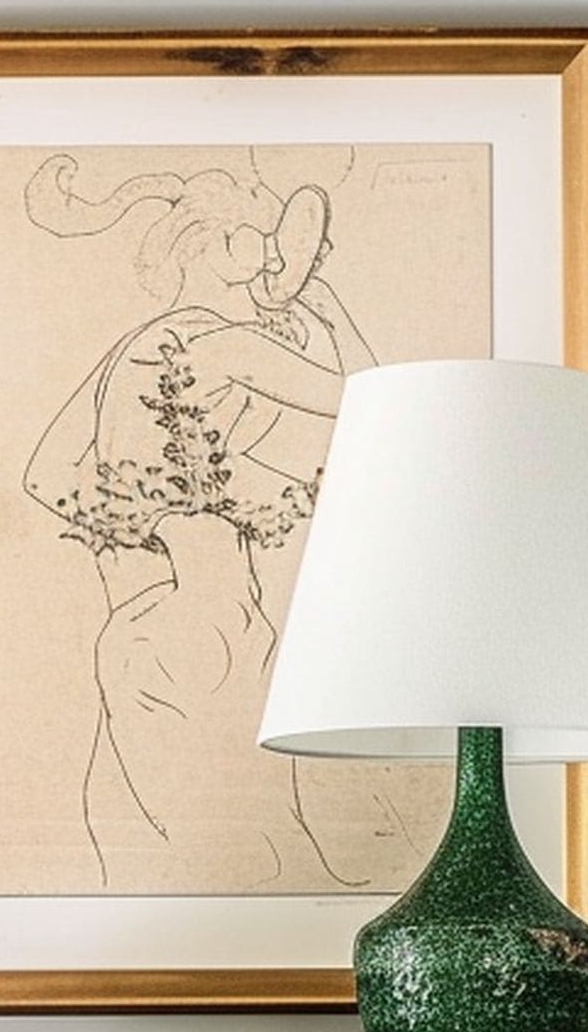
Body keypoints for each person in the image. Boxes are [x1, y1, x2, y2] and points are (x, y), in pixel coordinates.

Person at [21, 157, 391, 890]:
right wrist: (330, 308)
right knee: (250, 852)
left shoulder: (136, 351)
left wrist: (172, 516)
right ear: (216, 250)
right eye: (262, 238)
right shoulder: (226, 346)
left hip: (135, 628)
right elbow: (377, 401)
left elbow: (45, 476)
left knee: (156, 853)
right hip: (208, 636)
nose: (280, 256)